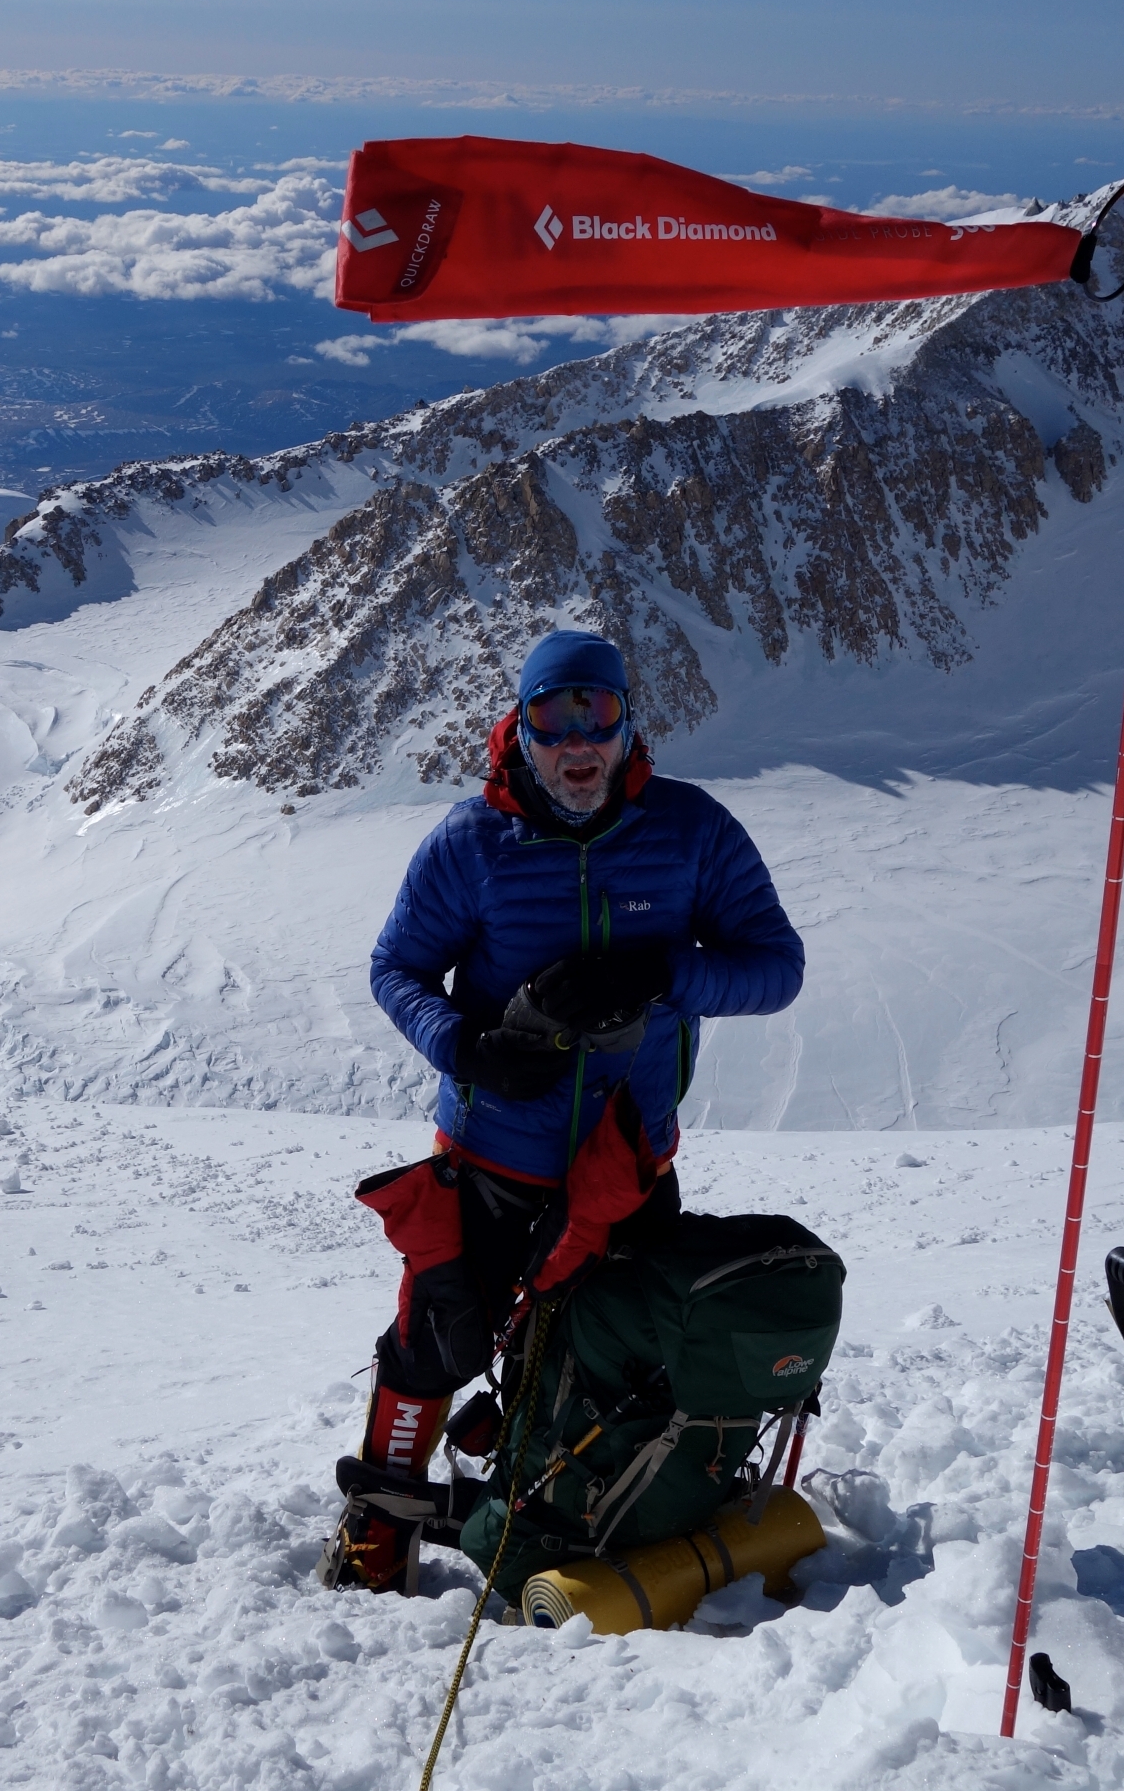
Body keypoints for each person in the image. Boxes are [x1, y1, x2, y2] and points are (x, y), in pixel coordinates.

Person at [322, 629, 805, 1593]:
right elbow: (397, 969)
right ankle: (380, 1520)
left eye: (599, 716)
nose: (577, 743)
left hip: (627, 1159)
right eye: (554, 717)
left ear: (628, 727)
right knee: (438, 1339)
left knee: (610, 1353)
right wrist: (468, 1047)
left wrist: (666, 974)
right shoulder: (471, 843)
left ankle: (557, 1513)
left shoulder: (690, 831)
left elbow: (776, 968)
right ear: (522, 728)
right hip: (493, 1149)